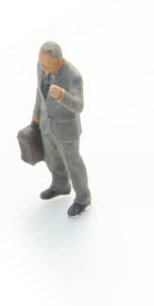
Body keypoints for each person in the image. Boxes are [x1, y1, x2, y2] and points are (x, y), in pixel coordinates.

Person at [31, 41, 91, 217]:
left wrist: (63, 96)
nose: (42, 66)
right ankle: (60, 185)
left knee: (73, 164)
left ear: (57, 61)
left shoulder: (73, 76)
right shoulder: (41, 67)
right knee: (52, 159)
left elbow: (79, 105)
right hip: (46, 125)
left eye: (46, 64)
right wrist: (35, 116)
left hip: (66, 129)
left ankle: (83, 198)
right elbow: (39, 93)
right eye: (40, 61)